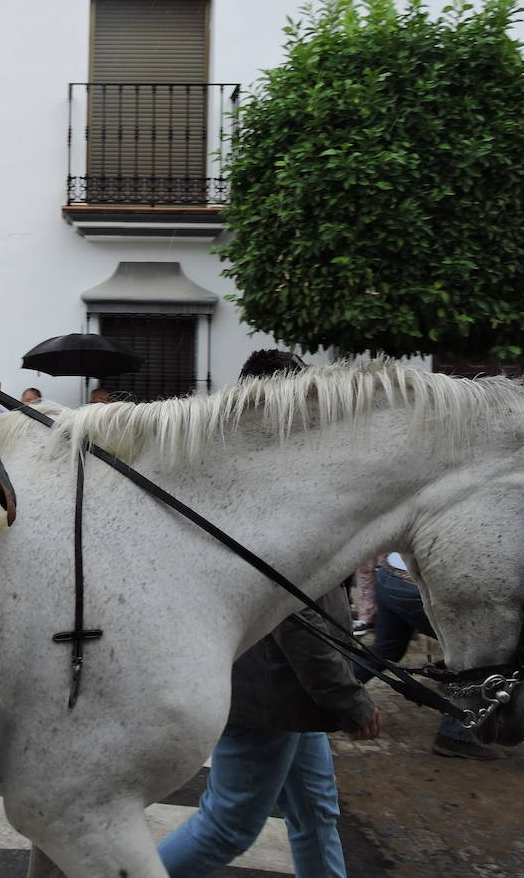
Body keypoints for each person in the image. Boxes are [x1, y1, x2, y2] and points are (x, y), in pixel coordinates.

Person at [159, 347, 379, 878]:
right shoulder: (280, 484)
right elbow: (303, 613)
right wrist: (347, 698)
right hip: (266, 686)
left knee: (314, 811)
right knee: (228, 825)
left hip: (274, 683)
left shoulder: (232, 466)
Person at [355, 552, 502, 760]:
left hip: (388, 577)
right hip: (413, 588)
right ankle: (455, 735)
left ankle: (329, 692)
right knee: (476, 653)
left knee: (386, 650)